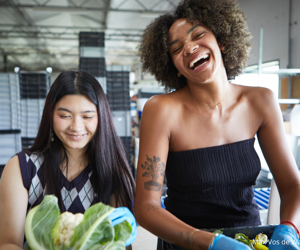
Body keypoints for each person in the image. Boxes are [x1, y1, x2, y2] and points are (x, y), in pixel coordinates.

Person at [134, 0, 300, 249]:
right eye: (176, 49)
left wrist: (289, 228)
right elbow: (146, 207)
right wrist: (209, 242)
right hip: (185, 243)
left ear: (221, 40)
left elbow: (291, 185)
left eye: (198, 35)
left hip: (249, 241)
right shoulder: (162, 110)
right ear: (175, 68)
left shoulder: (260, 101)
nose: (189, 48)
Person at [0, 71, 136, 250]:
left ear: (101, 118)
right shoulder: (22, 168)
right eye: (64, 116)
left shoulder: (114, 172)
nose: (76, 127)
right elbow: (8, 243)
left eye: (87, 116)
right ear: (50, 114)